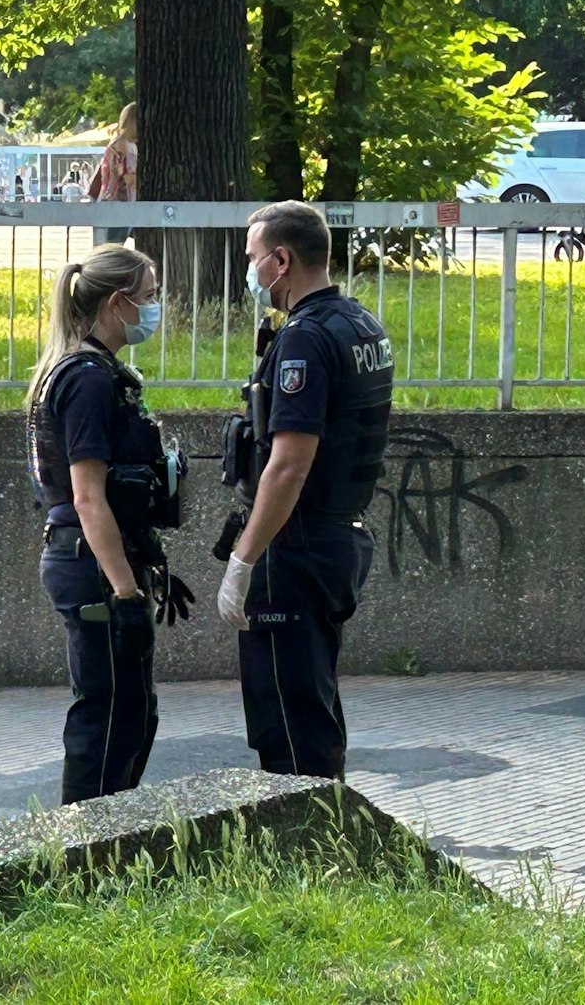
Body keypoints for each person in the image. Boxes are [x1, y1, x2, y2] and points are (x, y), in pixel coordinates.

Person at [217, 201, 392, 780]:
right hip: (337, 534)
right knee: (312, 699)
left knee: (290, 723)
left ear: (281, 259)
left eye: (252, 259)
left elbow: (288, 465)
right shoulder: (360, 323)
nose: (250, 270)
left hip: (295, 545)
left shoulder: (305, 340)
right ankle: (333, 842)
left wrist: (244, 559)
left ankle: (309, 851)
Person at [27, 244, 193, 805]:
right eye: (148, 297)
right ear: (118, 303)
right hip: (93, 565)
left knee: (132, 714)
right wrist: (125, 595)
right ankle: (84, 855)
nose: (154, 307)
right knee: (108, 715)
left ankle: (106, 847)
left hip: (100, 560)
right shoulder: (89, 380)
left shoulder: (98, 371)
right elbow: (89, 497)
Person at [89, 102, 139, 245]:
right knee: (110, 252)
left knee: (109, 250)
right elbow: (130, 177)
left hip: (114, 203)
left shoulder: (119, 143)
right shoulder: (124, 146)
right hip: (118, 204)